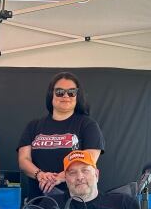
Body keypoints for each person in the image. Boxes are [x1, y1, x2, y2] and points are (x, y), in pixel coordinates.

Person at [17, 72, 105, 201]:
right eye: (59, 91)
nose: (65, 96)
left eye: (71, 92)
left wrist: (59, 177)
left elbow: (89, 160)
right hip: (38, 200)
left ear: (77, 96)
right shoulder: (34, 126)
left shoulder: (87, 124)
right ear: (51, 94)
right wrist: (40, 175)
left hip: (75, 201)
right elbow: (23, 160)